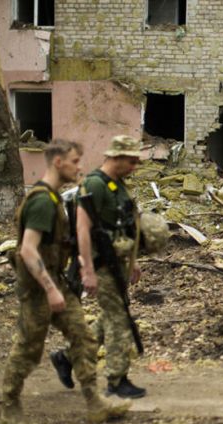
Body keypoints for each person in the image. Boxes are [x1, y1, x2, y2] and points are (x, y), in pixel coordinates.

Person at [0, 140, 130, 424]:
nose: (80, 167)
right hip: (38, 289)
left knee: (83, 338)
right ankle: (9, 409)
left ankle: (95, 403)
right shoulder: (43, 201)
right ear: (58, 162)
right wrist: (50, 289)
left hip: (57, 282)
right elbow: (28, 251)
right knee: (28, 349)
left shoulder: (55, 198)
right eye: (74, 161)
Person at [50, 135, 146, 399]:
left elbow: (125, 226)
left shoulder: (118, 185)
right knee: (118, 319)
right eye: (131, 161)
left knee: (110, 317)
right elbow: (82, 229)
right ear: (115, 157)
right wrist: (87, 270)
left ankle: (67, 358)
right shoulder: (94, 184)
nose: (134, 166)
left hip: (118, 262)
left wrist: (133, 261)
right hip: (100, 264)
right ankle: (116, 380)